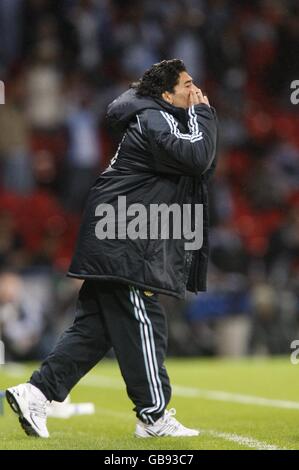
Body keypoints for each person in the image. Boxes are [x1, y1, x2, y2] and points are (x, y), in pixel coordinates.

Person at [6, 59, 218, 438]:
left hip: (117, 232)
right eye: (187, 84)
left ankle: (36, 393)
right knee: (146, 320)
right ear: (167, 94)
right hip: (127, 238)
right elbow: (198, 158)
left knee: (94, 331)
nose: (194, 90)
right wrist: (204, 114)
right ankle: (154, 415)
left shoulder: (151, 116)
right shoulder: (160, 116)